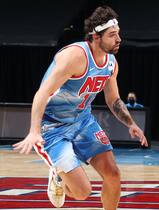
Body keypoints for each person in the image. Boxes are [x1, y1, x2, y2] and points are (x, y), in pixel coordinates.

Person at [13, 6, 148, 210]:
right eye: (112, 35)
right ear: (96, 37)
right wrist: (34, 131)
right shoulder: (75, 56)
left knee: (113, 174)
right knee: (82, 192)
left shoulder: (111, 63)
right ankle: (58, 177)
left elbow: (114, 100)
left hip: (83, 122)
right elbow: (42, 93)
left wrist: (131, 123)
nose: (118, 39)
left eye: (118, 34)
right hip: (53, 128)